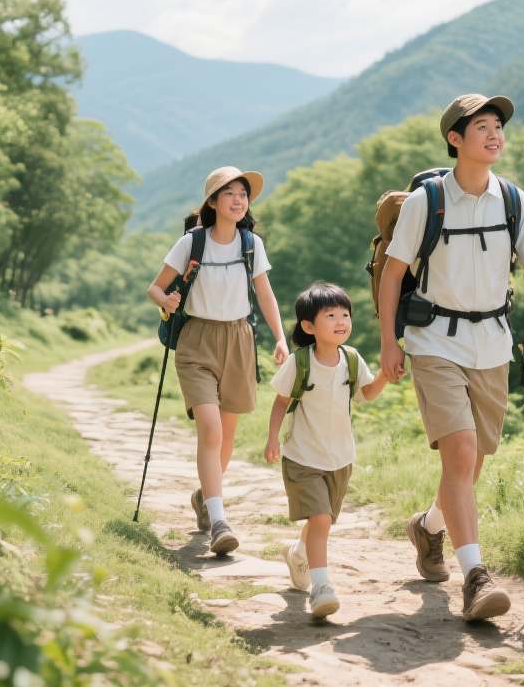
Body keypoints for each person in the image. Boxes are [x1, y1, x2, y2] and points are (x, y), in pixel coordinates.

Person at [378, 94, 524, 622]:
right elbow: (395, 274)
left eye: (498, 128)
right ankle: (476, 578)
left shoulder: (513, 200)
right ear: (455, 139)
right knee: (461, 453)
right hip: (434, 341)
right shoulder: (428, 201)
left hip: (492, 344)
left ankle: (428, 528)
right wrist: (389, 343)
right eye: (481, 127)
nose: (494, 136)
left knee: (472, 464)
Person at [149, 166, 289, 555]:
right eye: (229, 193)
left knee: (226, 437)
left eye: (243, 193)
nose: (238, 199)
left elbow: (265, 294)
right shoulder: (193, 243)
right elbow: (155, 287)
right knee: (210, 431)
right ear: (212, 202)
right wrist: (167, 300)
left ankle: (205, 499)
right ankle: (220, 521)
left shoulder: (250, 244)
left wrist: (280, 339)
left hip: (239, 339)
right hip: (197, 341)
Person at [265, 283, 389, 618]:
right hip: (303, 457)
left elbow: (366, 394)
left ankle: (298, 553)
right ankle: (321, 588)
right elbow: (281, 401)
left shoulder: (351, 359)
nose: (341, 321)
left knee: (323, 522)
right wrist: (273, 437)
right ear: (309, 327)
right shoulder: (299, 362)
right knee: (320, 518)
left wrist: (386, 376)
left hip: (340, 458)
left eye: (345, 315)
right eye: (331, 315)